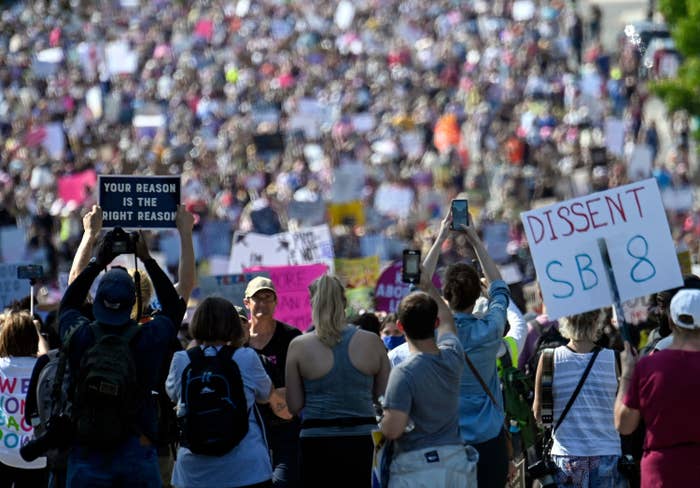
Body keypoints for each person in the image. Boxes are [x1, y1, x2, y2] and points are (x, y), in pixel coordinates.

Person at [58, 227, 186, 487]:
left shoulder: (80, 335)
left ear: (97, 303)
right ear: (132, 303)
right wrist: (147, 259)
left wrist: (98, 262)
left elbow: (68, 304)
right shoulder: (149, 338)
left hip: (87, 451)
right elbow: (174, 307)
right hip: (137, 450)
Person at [425, 210, 513, 487]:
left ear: (447, 294)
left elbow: (421, 283)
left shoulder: (438, 332)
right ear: (478, 295)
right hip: (490, 442)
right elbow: (499, 288)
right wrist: (474, 237)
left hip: (450, 442)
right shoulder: (492, 328)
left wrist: (441, 237)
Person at [285, 275, 390, 487]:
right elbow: (384, 396)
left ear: (313, 303)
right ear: (344, 302)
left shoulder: (298, 346)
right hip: (363, 439)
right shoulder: (371, 342)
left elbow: (294, 405)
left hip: (316, 441)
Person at [166, 296, 273, 488]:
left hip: (194, 474)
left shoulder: (181, 359)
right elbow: (265, 395)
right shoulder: (246, 357)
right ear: (233, 324)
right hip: (247, 470)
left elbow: (173, 394)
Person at [381, 265, 472, 486]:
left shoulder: (402, 373)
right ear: (435, 323)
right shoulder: (452, 354)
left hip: (417, 467)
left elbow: (393, 429)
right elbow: (449, 321)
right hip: (457, 462)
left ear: (400, 327)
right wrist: (429, 285)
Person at [615, 288, 700, 487]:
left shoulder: (649, 365)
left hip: (662, 471)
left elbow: (624, 424)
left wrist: (627, 373)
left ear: (670, 321)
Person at [533, 310, 625, 487]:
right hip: (607, 453)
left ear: (564, 321)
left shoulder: (549, 359)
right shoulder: (613, 358)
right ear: (596, 321)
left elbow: (541, 415)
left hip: (566, 457)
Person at [244, 276, 302, 487]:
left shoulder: (291, 336)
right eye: (257, 298)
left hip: (286, 426)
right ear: (246, 303)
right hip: (250, 430)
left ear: (276, 302)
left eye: (268, 297)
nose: (262, 303)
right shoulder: (240, 340)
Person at [0, 309, 50, 488]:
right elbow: (46, 356)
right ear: (34, 340)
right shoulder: (43, 368)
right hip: (36, 455)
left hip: (3, 453)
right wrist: (36, 330)